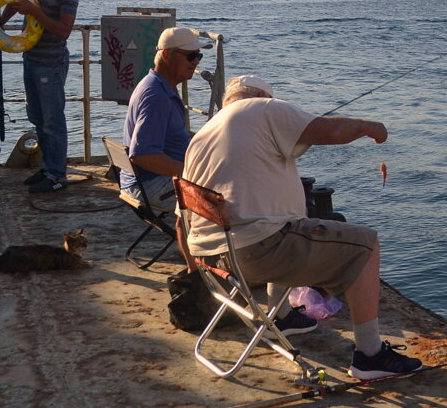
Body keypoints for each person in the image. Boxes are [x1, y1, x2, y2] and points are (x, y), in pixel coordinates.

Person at [178, 75, 423, 380]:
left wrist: (193, 269)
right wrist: (369, 126)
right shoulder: (264, 108)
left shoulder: (202, 137)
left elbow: (180, 220)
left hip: (211, 261)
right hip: (254, 254)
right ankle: (370, 355)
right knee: (366, 243)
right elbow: (330, 129)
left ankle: (279, 317)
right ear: (262, 97)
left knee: (290, 222)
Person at [122, 26, 212, 267]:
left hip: (146, 180)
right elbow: (143, 155)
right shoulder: (156, 97)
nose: (196, 62)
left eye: (199, 56)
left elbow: (173, 136)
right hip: (151, 185)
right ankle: (205, 268)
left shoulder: (160, 85)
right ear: (167, 55)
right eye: (190, 56)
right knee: (227, 200)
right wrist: (190, 172)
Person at [0, 0, 79, 193]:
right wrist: (0, 24)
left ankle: (57, 175)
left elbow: (64, 31)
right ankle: (47, 168)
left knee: (53, 120)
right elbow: (15, 3)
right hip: (30, 57)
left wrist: (34, 10)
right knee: (37, 117)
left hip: (51, 62)